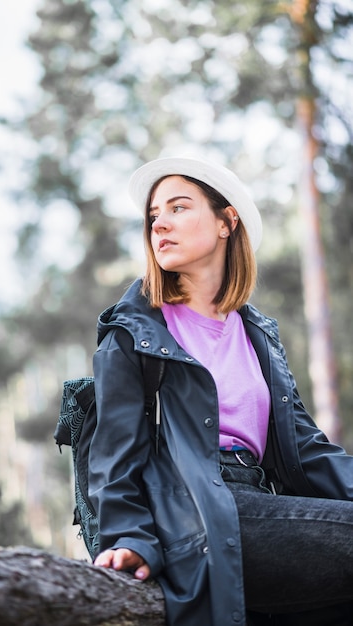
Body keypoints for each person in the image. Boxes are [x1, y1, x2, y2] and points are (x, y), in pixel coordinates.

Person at [88, 156, 353, 626]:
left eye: (179, 207)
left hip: (262, 504)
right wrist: (129, 538)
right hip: (193, 512)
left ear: (227, 221)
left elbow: (306, 449)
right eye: (153, 216)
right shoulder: (133, 334)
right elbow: (115, 457)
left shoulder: (257, 334)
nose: (160, 224)